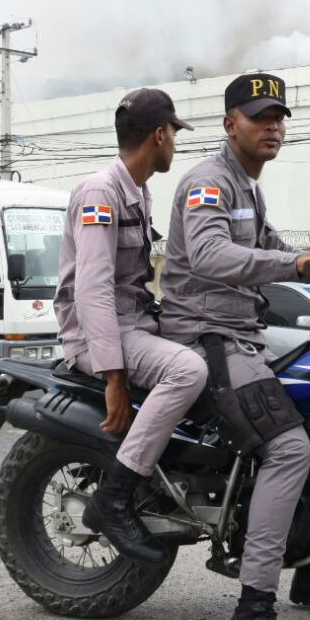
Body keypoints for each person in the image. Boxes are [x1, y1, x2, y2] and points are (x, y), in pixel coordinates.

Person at [160, 71, 310, 620]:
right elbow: (208, 255)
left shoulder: (248, 188)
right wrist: (295, 261)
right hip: (207, 334)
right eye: (259, 117)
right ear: (231, 124)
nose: (273, 126)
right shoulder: (209, 181)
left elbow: (270, 243)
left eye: (279, 117)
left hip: (241, 330)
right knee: (288, 447)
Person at [54, 87, 208, 566]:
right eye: (174, 134)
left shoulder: (137, 191)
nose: (176, 144)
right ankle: (115, 498)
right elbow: (92, 290)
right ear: (158, 135)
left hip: (134, 323)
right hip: (98, 333)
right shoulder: (101, 192)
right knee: (188, 371)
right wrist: (113, 376)